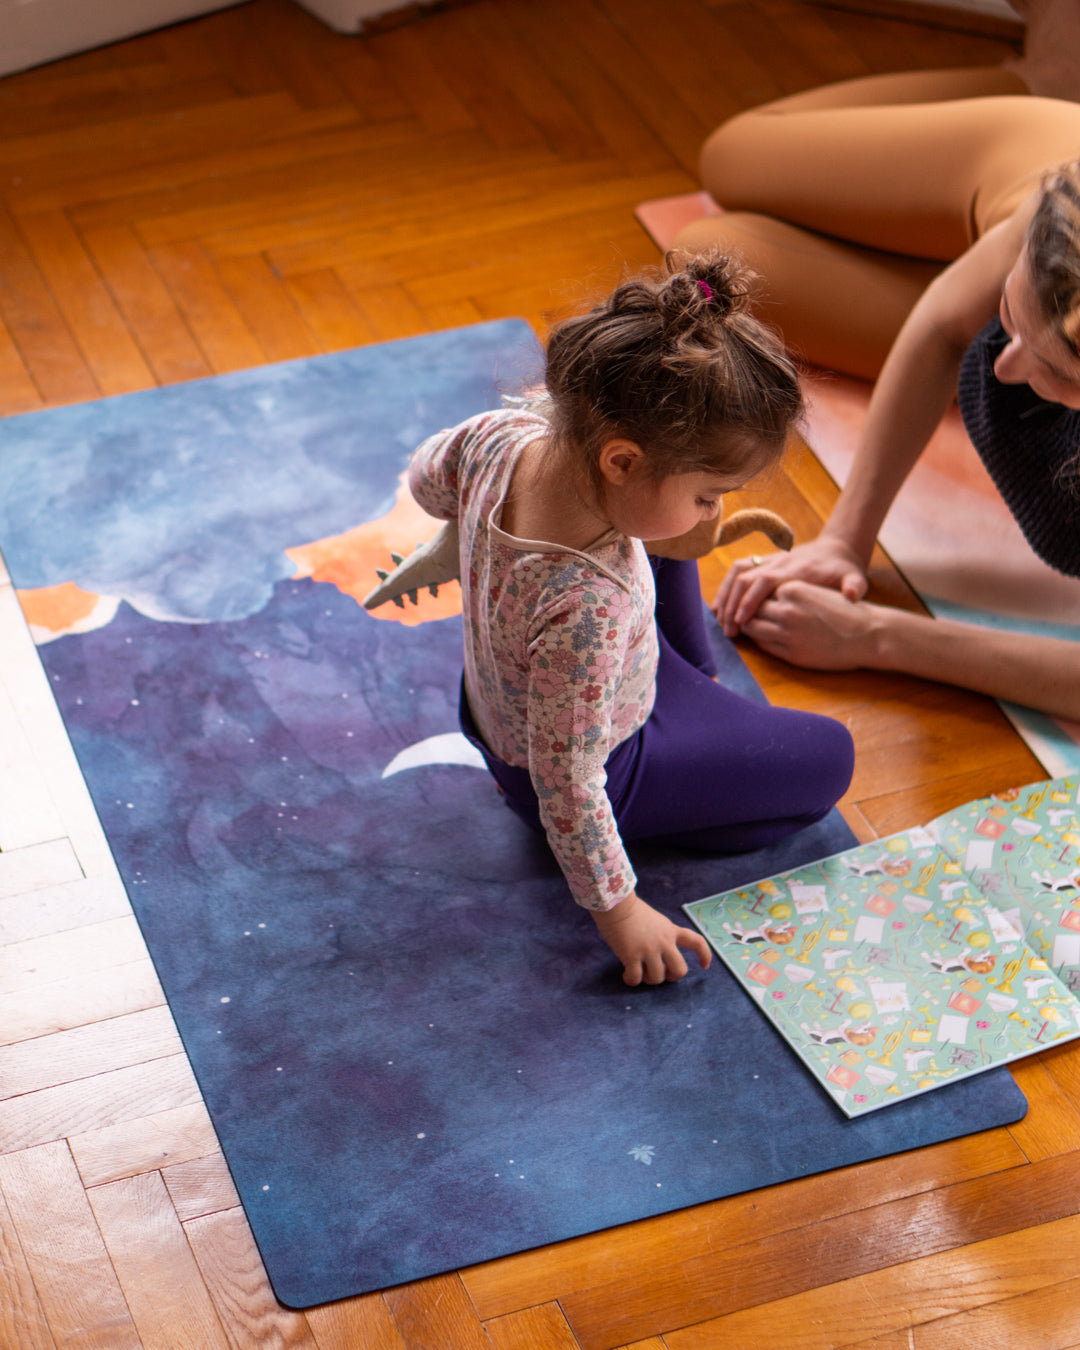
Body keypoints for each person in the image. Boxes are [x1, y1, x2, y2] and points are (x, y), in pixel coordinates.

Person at [407, 255, 855, 987]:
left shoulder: (501, 436)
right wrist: (621, 910)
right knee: (830, 758)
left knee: (663, 533)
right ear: (620, 459)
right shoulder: (591, 608)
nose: (716, 510)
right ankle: (686, 746)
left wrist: (464, 528)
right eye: (712, 493)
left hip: (497, 705)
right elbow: (570, 783)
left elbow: (429, 478)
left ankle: (697, 689)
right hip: (594, 767)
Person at [711, 154, 1080, 724]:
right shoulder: (1064, 217)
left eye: (1052, 371)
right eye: (1007, 311)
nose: (1003, 367)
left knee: (714, 242)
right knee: (730, 162)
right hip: (1010, 169)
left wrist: (873, 637)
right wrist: (844, 540)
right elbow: (940, 327)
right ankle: (1019, 86)